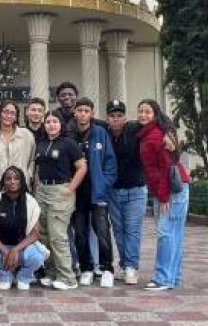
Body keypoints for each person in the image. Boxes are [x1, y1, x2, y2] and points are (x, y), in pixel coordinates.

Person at [138, 99, 191, 291]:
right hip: (178, 188)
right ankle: (173, 277)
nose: (143, 115)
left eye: (147, 112)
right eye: (140, 111)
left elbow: (166, 167)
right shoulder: (151, 133)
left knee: (165, 234)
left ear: (155, 114)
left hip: (171, 191)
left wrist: (164, 197)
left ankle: (162, 278)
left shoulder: (155, 136)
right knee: (174, 234)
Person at [34, 113, 87, 290]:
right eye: (48, 122)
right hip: (43, 192)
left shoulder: (68, 143)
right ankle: (51, 273)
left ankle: (67, 277)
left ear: (61, 124)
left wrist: (70, 188)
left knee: (58, 236)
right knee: (45, 236)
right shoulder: (41, 143)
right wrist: (37, 189)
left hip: (60, 192)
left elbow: (82, 167)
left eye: (55, 121)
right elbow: (38, 168)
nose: (51, 125)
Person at [69, 97, 118, 288]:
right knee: (80, 233)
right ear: (75, 112)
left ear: (92, 113)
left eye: (86, 110)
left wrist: (104, 184)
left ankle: (107, 269)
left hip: (98, 192)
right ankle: (87, 268)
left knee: (102, 232)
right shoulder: (70, 135)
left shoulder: (100, 133)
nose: (82, 113)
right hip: (78, 194)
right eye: (79, 110)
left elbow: (110, 163)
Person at [0, 166, 50, 291]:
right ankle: (5, 277)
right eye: (8, 179)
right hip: (1, 248)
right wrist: (6, 252)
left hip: (23, 247)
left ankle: (24, 277)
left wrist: (15, 250)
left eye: (16, 178)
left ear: (22, 181)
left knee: (38, 256)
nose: (12, 181)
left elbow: (35, 234)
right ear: (4, 182)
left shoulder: (31, 202)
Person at [104, 99, 147, 285]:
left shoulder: (135, 129)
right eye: (112, 116)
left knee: (132, 230)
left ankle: (131, 266)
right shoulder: (103, 133)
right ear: (107, 118)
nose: (116, 120)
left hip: (136, 190)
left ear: (125, 117)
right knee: (119, 231)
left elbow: (158, 122)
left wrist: (169, 133)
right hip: (113, 192)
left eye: (119, 116)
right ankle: (124, 264)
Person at [0, 101, 36, 203]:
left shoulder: (26, 135)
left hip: (22, 187)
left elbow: (32, 160)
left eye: (12, 113)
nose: (8, 116)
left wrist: (28, 175)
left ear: (16, 117)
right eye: (6, 112)